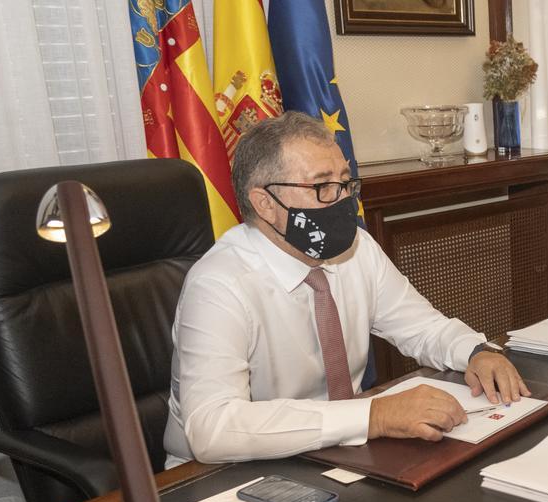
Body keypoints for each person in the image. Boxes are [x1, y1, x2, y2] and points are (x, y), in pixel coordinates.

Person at [164, 111, 528, 465]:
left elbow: (421, 327)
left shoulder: (357, 250)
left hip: (339, 452)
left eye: (345, 183)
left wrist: (476, 351)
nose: (342, 201)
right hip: (224, 478)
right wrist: (373, 415)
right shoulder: (219, 284)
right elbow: (211, 428)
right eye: (323, 186)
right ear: (265, 203)